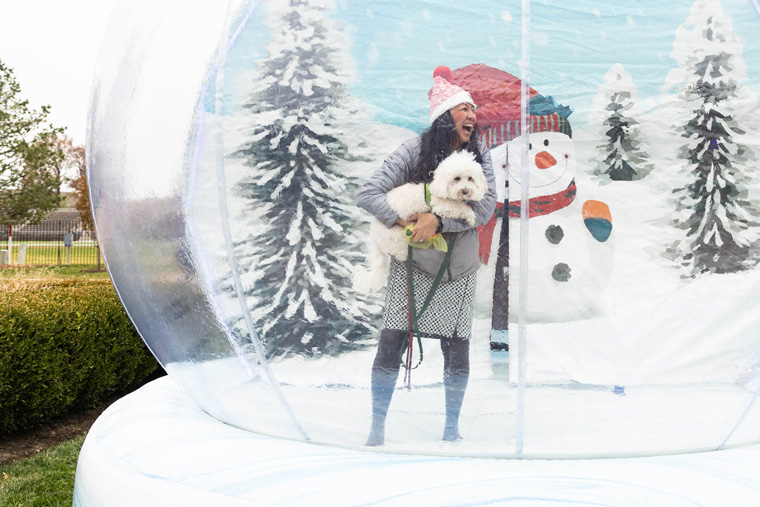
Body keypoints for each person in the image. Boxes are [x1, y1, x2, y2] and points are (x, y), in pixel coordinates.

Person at [358, 66, 496, 446]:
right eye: (462, 108)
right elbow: (368, 194)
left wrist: (438, 222)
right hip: (411, 267)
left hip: (460, 269)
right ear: (443, 117)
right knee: (390, 344)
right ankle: (376, 429)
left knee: (457, 349)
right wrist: (402, 220)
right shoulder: (412, 151)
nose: (472, 114)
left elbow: (483, 210)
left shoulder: (478, 158)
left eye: (473, 108)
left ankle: (451, 428)